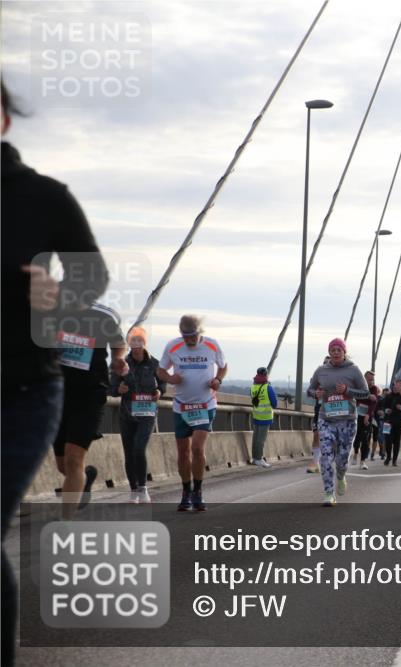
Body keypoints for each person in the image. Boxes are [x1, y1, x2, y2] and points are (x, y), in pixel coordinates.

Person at [1, 80, 110, 667]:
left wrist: (60, 296)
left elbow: (92, 280)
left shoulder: (42, 198)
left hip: (20, 391)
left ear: (6, 119)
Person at [52, 301, 128, 517]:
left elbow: (118, 344)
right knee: (63, 465)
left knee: (74, 458)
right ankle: (83, 480)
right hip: (57, 394)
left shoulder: (104, 316)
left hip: (90, 394)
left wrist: (118, 359)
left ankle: (66, 522)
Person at [157, 314, 227, 512]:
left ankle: (198, 490)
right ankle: (186, 490)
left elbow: (223, 367)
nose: (190, 340)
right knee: (183, 451)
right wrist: (170, 379)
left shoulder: (212, 345)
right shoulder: (173, 346)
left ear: (200, 332)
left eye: (193, 337)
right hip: (181, 406)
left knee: (197, 448)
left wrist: (218, 381)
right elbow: (160, 371)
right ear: (181, 334)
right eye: (186, 337)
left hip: (205, 405)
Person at [307, 339, 369, 506]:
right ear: (329, 352)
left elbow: (365, 393)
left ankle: (341, 475)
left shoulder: (353, 370)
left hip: (347, 420)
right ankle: (329, 493)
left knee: (342, 459)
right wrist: (316, 393)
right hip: (326, 419)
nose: (335, 352)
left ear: (344, 352)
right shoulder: (321, 370)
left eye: (338, 350)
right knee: (326, 456)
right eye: (332, 350)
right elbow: (310, 390)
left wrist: (348, 391)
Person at [111, 327, 166, 503]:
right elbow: (111, 387)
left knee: (139, 448)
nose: (135, 347)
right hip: (127, 414)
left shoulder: (155, 364)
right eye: (132, 343)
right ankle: (133, 490)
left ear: (144, 343)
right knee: (129, 452)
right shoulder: (121, 363)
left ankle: (143, 488)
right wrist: (118, 389)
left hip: (147, 414)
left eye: (139, 342)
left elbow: (163, 384)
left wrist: (159, 391)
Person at [250, 366, 278, 468]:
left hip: (256, 415)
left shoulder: (253, 387)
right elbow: (275, 403)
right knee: (261, 439)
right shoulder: (268, 387)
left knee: (255, 438)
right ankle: (259, 459)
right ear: (266, 375)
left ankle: (254, 458)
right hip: (265, 417)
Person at [306, 355, 329, 474]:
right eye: (325, 363)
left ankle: (329, 459)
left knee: (331, 438)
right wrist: (316, 394)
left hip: (333, 410)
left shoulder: (339, 377)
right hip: (319, 409)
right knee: (316, 434)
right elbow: (309, 391)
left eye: (328, 363)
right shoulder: (318, 376)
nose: (326, 365)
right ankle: (315, 462)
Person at [352, 370, 378, 469]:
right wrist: (367, 396)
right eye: (370, 379)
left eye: (373, 379)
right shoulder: (359, 387)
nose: (372, 381)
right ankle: (355, 453)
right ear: (364, 379)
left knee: (365, 438)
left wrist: (368, 415)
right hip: (357, 414)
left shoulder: (374, 388)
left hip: (367, 415)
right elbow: (355, 397)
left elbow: (374, 402)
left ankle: (363, 461)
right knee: (358, 436)